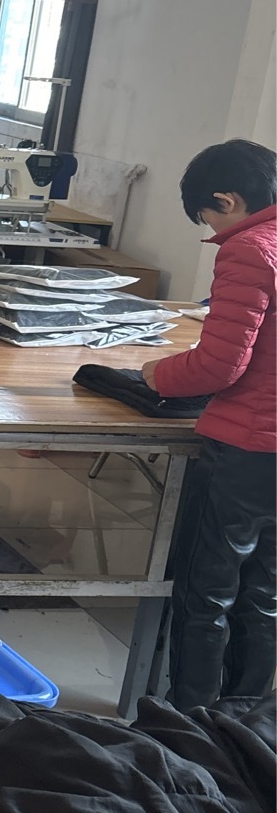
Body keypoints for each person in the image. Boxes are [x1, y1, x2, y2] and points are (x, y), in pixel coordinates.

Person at [140, 139, 277, 709]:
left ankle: (191, 720)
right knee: (265, 592)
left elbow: (220, 366)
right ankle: (244, 722)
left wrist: (156, 373)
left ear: (228, 199)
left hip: (246, 449)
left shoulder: (249, 248)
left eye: (209, 217)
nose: (214, 230)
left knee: (207, 591)